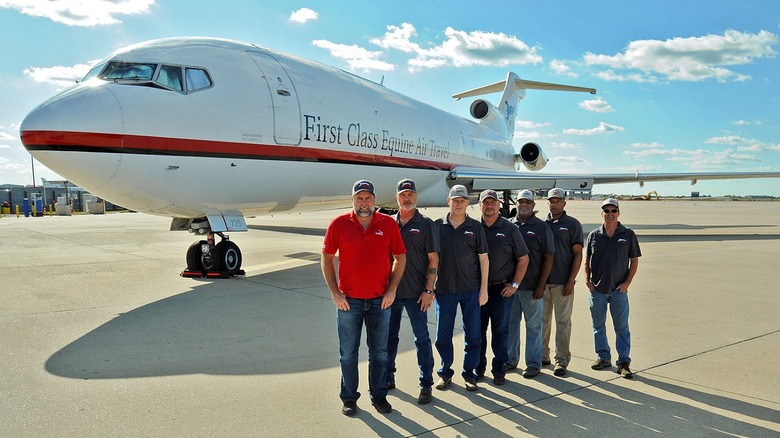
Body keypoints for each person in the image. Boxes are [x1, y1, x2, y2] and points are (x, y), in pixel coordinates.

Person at [321, 179, 407, 416]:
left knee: (379, 352)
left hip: (381, 301)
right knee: (348, 354)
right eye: (359, 198)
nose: (364, 202)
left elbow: (400, 257)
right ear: (353, 200)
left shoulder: (388, 224)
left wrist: (391, 290)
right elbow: (326, 258)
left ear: (375, 200)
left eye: (368, 198)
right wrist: (335, 293)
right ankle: (349, 398)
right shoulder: (339, 224)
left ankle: (379, 396)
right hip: (349, 302)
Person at [386, 179, 439, 405]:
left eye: (410, 195)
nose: (406, 199)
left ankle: (426, 384)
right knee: (389, 339)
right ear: (397, 198)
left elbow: (434, 260)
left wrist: (429, 289)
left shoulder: (426, 224)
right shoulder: (388, 223)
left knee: (422, 339)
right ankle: (387, 377)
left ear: (416, 197)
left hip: (417, 294)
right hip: (391, 293)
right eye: (402, 195)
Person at [433, 184, 489, 392]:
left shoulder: (475, 228)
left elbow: (484, 260)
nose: (458, 204)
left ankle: (469, 374)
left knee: (473, 335)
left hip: (471, 291)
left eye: (462, 200)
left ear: (467, 203)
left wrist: (483, 289)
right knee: (442, 336)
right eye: (455, 200)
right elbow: (431, 259)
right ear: (448, 201)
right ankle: (445, 373)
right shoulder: (437, 226)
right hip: (445, 291)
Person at [477, 189, 529, 385]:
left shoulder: (509, 229)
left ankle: (499, 369)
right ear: (480, 205)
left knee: (500, 331)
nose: (489, 206)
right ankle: (478, 368)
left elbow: (523, 258)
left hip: (501, 290)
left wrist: (514, 284)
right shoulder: (474, 227)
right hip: (479, 290)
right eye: (485, 202)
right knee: (478, 331)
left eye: (493, 202)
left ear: (499, 205)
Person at [584, 198, 641, 379]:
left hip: (618, 291)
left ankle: (623, 362)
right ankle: (603, 357)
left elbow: (634, 261)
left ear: (618, 213)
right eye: (606, 211)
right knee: (598, 326)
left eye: (613, 211)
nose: (610, 214)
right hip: (598, 291)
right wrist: (587, 281)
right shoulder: (594, 235)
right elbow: (587, 260)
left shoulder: (628, 234)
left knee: (622, 327)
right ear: (602, 214)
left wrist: (626, 284)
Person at [508, 190, 554, 378]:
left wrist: (541, 285)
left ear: (534, 205)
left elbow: (549, 257)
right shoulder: (509, 225)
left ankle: (534, 364)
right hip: (510, 288)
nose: (524, 204)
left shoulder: (542, 227)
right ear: (516, 204)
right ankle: (511, 360)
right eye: (521, 201)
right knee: (511, 326)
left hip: (532, 288)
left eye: (528, 201)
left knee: (534, 327)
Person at [543, 188, 584, 376]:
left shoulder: (572, 224)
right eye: (551, 201)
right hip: (542, 283)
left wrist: (570, 280)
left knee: (562, 322)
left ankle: (561, 360)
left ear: (564, 203)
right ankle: (543, 356)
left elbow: (577, 255)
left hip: (562, 283)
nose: (554, 204)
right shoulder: (542, 224)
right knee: (542, 321)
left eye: (557, 201)